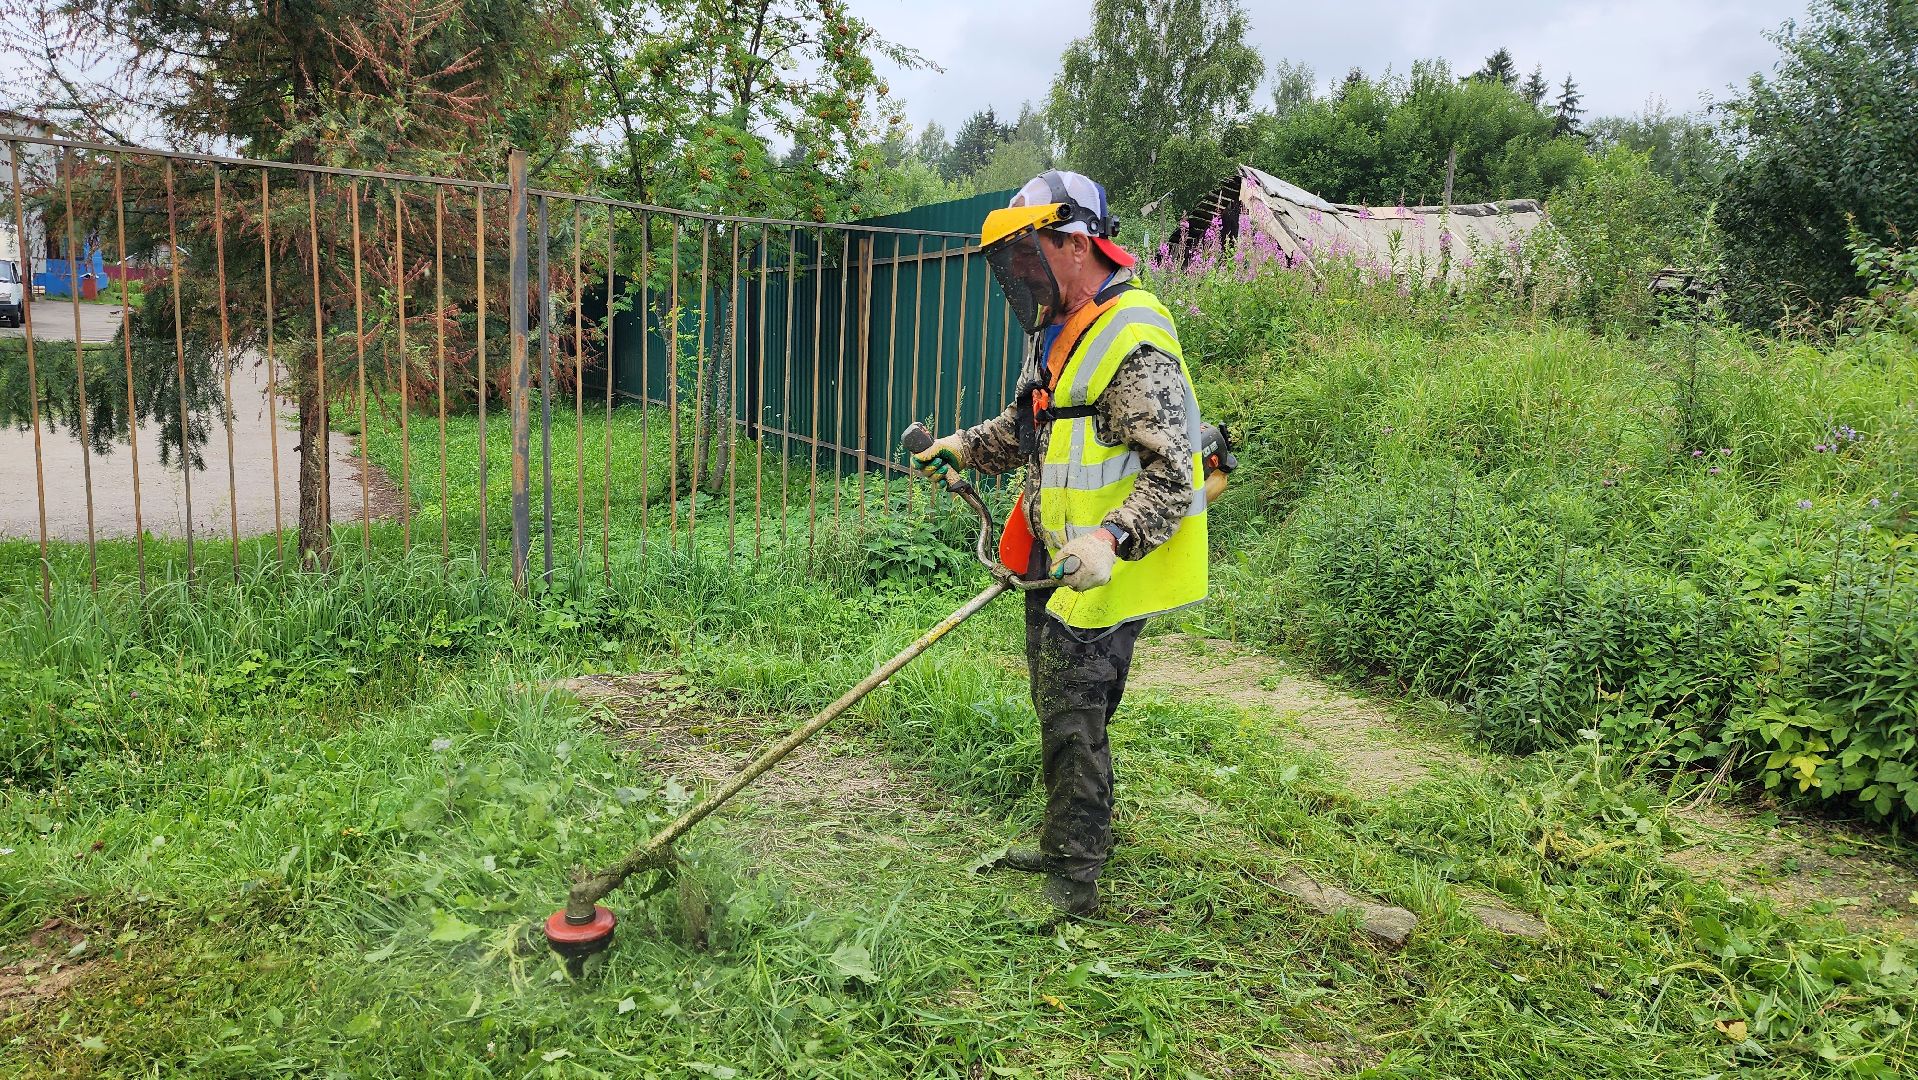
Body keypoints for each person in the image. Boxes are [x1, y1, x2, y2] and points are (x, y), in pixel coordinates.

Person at [911, 171, 1208, 916]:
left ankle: (1074, 881)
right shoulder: (1056, 327)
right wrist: (963, 445)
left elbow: (1177, 473)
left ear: (1075, 244)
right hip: (1053, 563)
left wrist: (1112, 537)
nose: (1016, 274)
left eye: (1027, 253)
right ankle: (1062, 838)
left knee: (1076, 716)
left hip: (1106, 570)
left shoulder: (1133, 337)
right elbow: (1028, 429)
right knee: (1056, 705)